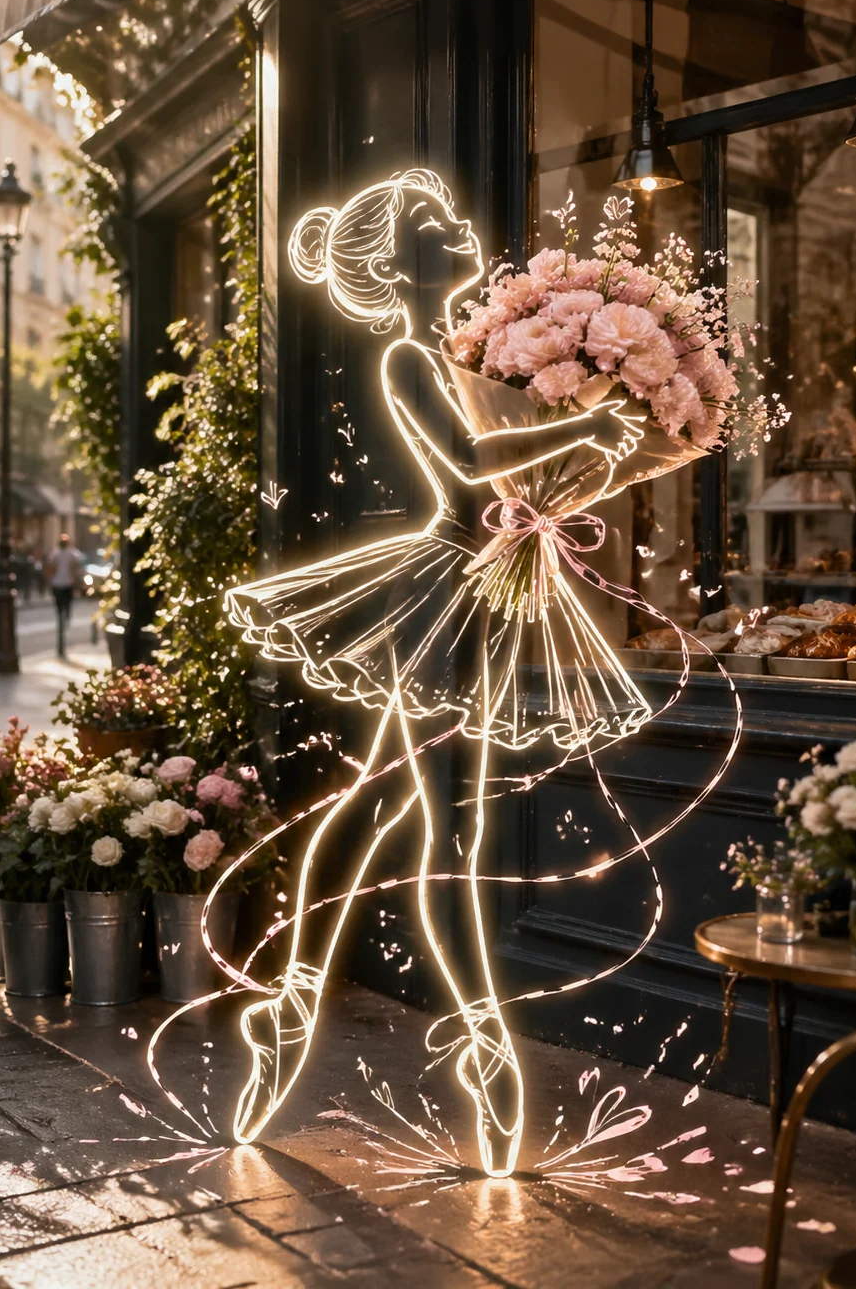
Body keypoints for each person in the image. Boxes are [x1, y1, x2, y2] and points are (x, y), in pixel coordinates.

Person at [198, 171, 646, 1178]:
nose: (459, 234)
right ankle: (474, 1028)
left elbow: (520, 474)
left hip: (478, 594)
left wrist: (602, 439)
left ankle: (300, 998)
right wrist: (583, 428)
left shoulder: (455, 353)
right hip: (438, 595)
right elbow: (467, 459)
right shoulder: (407, 355)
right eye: (440, 228)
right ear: (401, 261)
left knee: (394, 807)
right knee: (443, 820)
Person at [45, 533, 82, 655]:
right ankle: (65, 617)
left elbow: (51, 566)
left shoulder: (55, 553)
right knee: (68, 602)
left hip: (57, 583)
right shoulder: (72, 553)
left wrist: (50, 579)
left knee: (59, 603)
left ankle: (61, 616)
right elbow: (76, 566)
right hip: (67, 583)